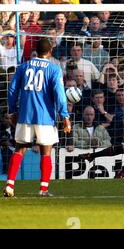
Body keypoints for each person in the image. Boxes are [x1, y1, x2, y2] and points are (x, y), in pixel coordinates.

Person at [3, 38, 71, 197]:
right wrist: (65, 116)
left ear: (36, 50)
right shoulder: (54, 69)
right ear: (50, 51)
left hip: (25, 115)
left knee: (19, 149)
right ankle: (43, 189)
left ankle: (10, 185)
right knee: (46, 152)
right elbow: (60, 95)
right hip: (45, 117)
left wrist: (13, 111)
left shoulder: (23, 67)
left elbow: (12, 90)